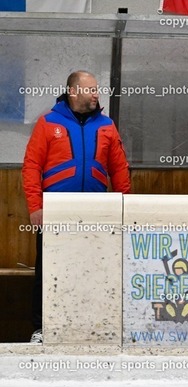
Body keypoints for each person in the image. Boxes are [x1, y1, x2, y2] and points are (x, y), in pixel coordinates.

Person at [22, 70, 131, 343]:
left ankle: (94, 327)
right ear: (73, 91)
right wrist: (36, 206)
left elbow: (119, 169)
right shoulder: (48, 123)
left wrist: (124, 206)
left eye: (97, 89)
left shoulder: (107, 125)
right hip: (55, 211)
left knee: (96, 269)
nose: (97, 94)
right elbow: (32, 166)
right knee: (47, 272)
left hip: (97, 210)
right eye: (90, 89)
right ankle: (41, 329)